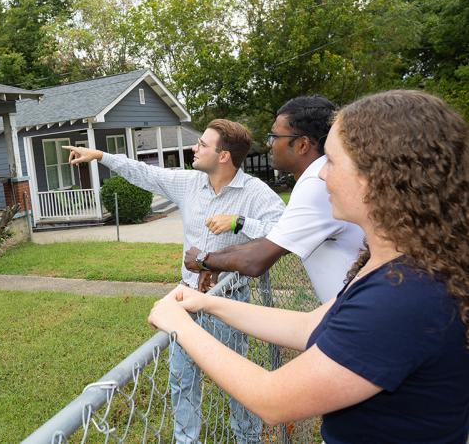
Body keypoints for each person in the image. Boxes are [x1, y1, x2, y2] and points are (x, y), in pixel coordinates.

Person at [148, 90, 469, 443]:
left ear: (378, 176)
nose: (318, 176)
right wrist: (206, 303)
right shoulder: (398, 269)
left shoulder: (403, 298)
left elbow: (273, 399)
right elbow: (310, 325)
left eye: (330, 161)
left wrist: (179, 325)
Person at [64, 119, 285, 443]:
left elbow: (283, 228)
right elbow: (146, 173)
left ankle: (247, 438)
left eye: (203, 145)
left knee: (238, 381)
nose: (195, 149)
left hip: (230, 300)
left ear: (224, 156)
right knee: (182, 379)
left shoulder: (253, 192)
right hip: (186, 296)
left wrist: (239, 222)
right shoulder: (188, 183)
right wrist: (100, 156)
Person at [185, 96, 364, 303]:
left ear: (302, 145)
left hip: (359, 311)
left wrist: (204, 260)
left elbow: (257, 260)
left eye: (274, 136)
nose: (269, 144)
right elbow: (275, 241)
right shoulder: (319, 176)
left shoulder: (316, 183)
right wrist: (215, 262)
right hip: (352, 306)